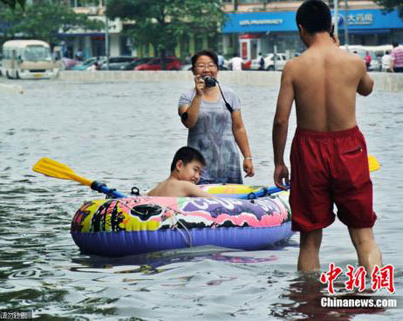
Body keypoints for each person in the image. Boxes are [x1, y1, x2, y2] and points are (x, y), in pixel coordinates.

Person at [272, 0, 381, 273]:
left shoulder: (294, 67)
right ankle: (377, 296)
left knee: (309, 238)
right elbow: (367, 89)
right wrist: (339, 50)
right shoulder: (353, 62)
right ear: (331, 27)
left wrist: (279, 162)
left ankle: (310, 305)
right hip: (349, 148)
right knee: (363, 233)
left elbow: (281, 120)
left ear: (301, 29)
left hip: (309, 149)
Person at [178, 50, 255, 184]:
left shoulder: (230, 95)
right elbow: (189, 122)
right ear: (193, 70)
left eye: (211, 65)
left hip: (228, 161)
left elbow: (239, 128)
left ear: (218, 69)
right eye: (201, 66)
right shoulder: (187, 97)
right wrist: (198, 94)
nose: (206, 69)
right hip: (198, 165)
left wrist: (247, 157)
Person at [147, 147, 213, 197]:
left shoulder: (157, 187)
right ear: (179, 165)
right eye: (195, 170)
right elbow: (213, 200)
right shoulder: (185, 186)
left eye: (200, 173)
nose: (197, 176)